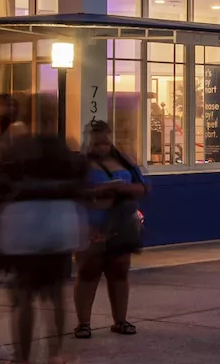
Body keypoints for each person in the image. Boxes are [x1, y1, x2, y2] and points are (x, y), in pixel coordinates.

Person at [0, 96, 85, 364]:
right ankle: (56, 353)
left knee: (22, 296)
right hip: (59, 223)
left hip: (22, 225)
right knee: (56, 294)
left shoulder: (15, 145)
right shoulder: (65, 147)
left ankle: (23, 357)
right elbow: (80, 183)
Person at [75, 119, 147, 339]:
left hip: (120, 225)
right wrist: (99, 190)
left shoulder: (124, 161)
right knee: (89, 273)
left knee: (119, 272)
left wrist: (123, 188)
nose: (101, 147)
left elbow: (143, 188)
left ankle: (120, 320)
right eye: (96, 143)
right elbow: (73, 192)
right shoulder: (81, 164)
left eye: (105, 142)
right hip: (92, 226)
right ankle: (83, 323)